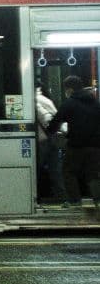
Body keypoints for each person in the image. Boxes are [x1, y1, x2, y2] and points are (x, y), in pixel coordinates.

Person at [46, 75, 100, 212]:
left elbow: (56, 121)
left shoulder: (70, 103)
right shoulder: (95, 103)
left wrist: (49, 132)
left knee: (68, 172)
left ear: (69, 89)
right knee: (92, 174)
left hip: (76, 145)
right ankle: (97, 201)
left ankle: (75, 201)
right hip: (95, 146)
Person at [36, 83, 67, 204]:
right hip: (53, 139)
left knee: (36, 169)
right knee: (56, 170)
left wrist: (49, 129)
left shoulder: (35, 99)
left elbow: (46, 117)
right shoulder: (46, 99)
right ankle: (62, 197)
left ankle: (35, 197)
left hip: (43, 140)